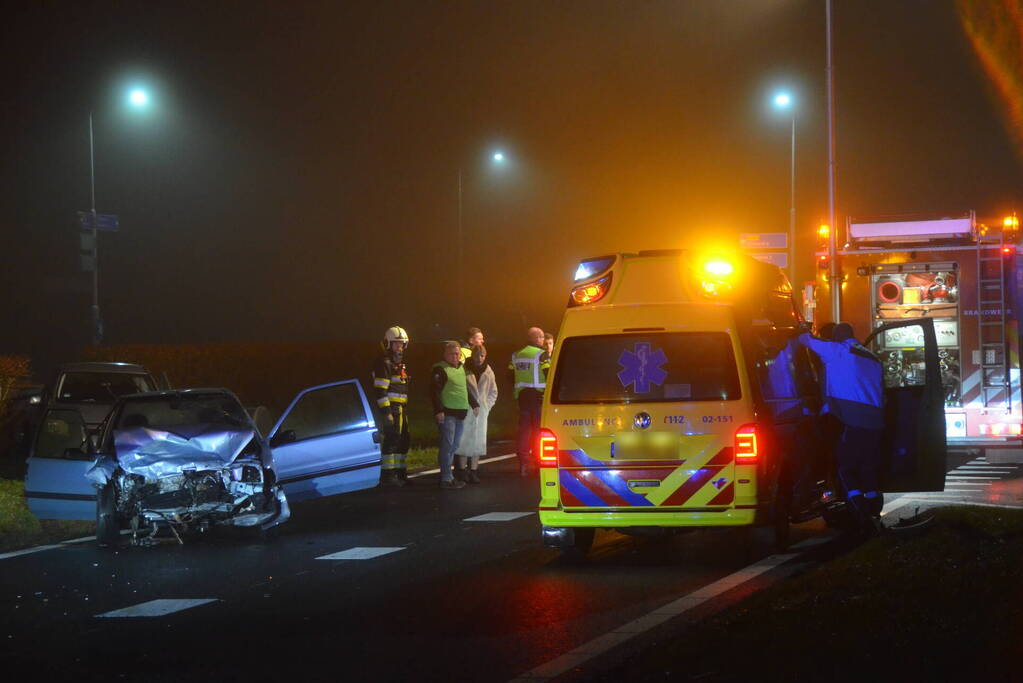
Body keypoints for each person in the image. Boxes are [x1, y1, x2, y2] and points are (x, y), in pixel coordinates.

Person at [795, 322, 884, 535]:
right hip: (876, 423)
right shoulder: (872, 358)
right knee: (867, 467)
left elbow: (806, 341)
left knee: (845, 469)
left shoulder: (838, 351)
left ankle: (860, 514)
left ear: (837, 338)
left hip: (852, 421)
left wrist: (802, 330)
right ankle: (874, 510)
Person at [431, 341, 479, 489]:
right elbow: (434, 392)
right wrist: (438, 410)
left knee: (455, 445)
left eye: (457, 353)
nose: (455, 356)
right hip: (447, 413)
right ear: (445, 354)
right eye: (452, 353)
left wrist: (474, 403)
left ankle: (448, 476)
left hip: (460, 413)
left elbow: (464, 389)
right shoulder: (440, 369)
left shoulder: (460, 368)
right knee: (448, 445)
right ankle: (446, 478)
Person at [453, 327, 498, 483]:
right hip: (467, 410)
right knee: (464, 441)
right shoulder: (465, 369)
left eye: (482, 355)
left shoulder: (488, 371)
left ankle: (474, 470)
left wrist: (487, 406)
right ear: (473, 355)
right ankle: (463, 470)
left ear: (485, 356)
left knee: (478, 441)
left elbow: (494, 391)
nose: (480, 358)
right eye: (477, 355)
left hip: (482, 411)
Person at [372, 326, 412, 487]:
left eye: (402, 344)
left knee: (404, 440)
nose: (399, 347)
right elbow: (380, 391)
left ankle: (401, 473)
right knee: (392, 440)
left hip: (402, 408)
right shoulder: (384, 363)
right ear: (388, 344)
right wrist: (386, 413)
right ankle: (388, 476)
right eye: (396, 344)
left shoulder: (399, 364)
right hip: (392, 409)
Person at [509, 326, 550, 476]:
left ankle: (523, 463)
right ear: (538, 338)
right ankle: (539, 463)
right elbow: (548, 373)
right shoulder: (541, 354)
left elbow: (509, 376)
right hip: (538, 397)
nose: (543, 341)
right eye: (542, 338)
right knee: (539, 431)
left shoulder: (516, 355)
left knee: (524, 431)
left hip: (522, 397)